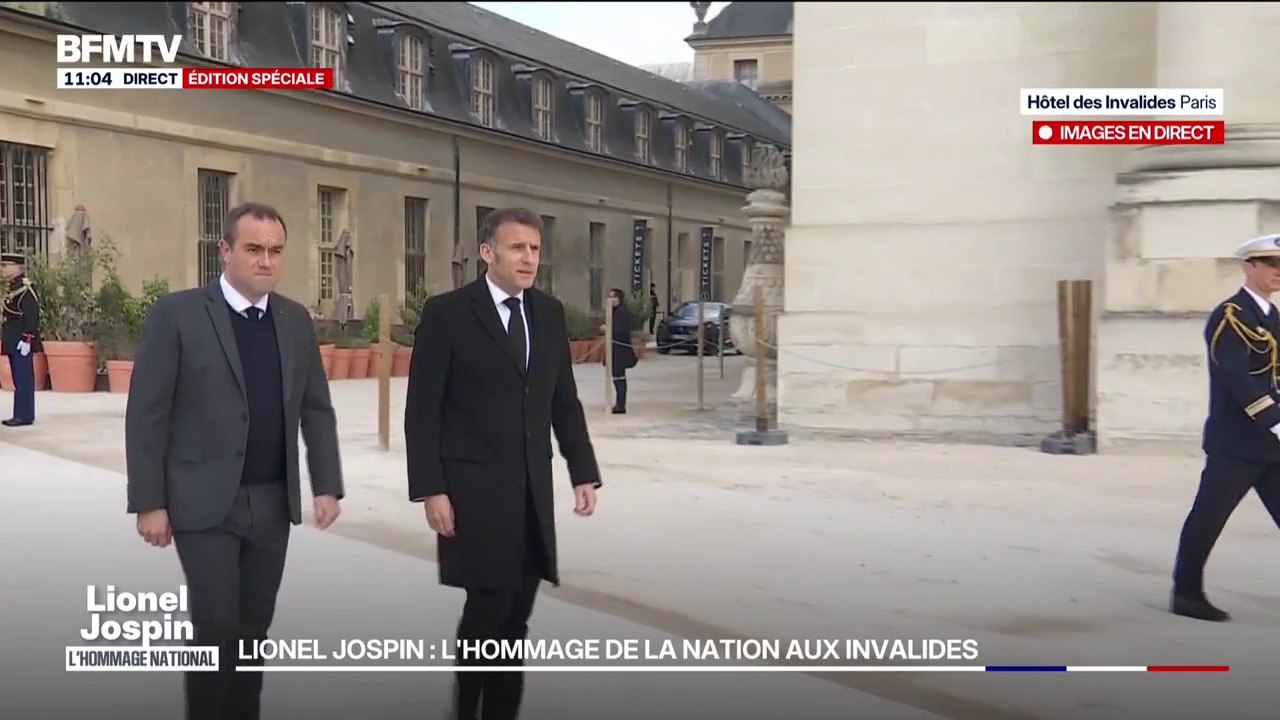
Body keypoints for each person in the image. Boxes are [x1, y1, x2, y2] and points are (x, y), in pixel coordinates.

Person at [124, 202, 345, 719]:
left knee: (252, 633)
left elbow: (316, 407)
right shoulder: (178, 315)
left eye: (275, 251)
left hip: (271, 504)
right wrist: (149, 501)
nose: (266, 260)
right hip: (202, 503)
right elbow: (147, 413)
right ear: (224, 250)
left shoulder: (294, 320)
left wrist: (326, 484)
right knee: (216, 628)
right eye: (254, 249)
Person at [404, 206, 602, 720]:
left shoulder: (548, 314)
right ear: (487, 252)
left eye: (535, 248)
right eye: (518, 248)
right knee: (488, 609)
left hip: (531, 493)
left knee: (516, 620)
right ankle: (466, 707)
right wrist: (431, 488)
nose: (529, 258)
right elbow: (422, 411)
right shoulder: (448, 314)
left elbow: (563, 401)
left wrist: (582, 471)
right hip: (473, 493)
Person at [1171, 233, 1280, 622]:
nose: (1278, 272)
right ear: (1249, 267)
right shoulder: (1230, 315)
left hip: (1270, 445)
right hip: (1237, 443)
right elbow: (1235, 376)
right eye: (1271, 264)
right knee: (1208, 518)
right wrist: (1274, 421)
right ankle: (1186, 594)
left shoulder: (1271, 316)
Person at [1, 252, 40, 426]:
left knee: (24, 378)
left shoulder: (25, 289)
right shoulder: (10, 287)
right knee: (18, 378)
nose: (3, 269)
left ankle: (24, 415)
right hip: (12, 339)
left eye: (6, 266)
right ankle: (21, 413)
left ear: (17, 267)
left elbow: (32, 316)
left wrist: (27, 339)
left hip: (21, 340)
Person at [606, 288, 637, 414]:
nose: (610, 299)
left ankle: (620, 404)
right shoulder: (613, 312)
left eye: (612, 297)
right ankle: (618, 403)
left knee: (619, 377)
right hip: (614, 349)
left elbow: (621, 331)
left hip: (620, 349)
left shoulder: (622, 313)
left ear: (618, 299)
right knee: (616, 376)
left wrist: (609, 330)